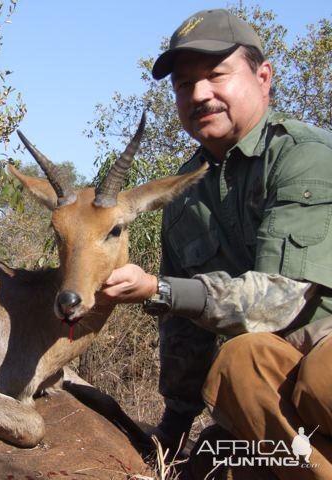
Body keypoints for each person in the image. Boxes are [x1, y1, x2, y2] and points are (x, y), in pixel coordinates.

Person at [99, 9, 332, 479]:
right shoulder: (184, 198)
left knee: (319, 379)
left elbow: (281, 297)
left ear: (263, 77)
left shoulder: (305, 156)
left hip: (323, 355)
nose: (199, 94)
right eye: (184, 85)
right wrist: (172, 430)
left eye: (216, 75)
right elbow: (185, 333)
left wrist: (160, 290)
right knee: (239, 369)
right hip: (269, 378)